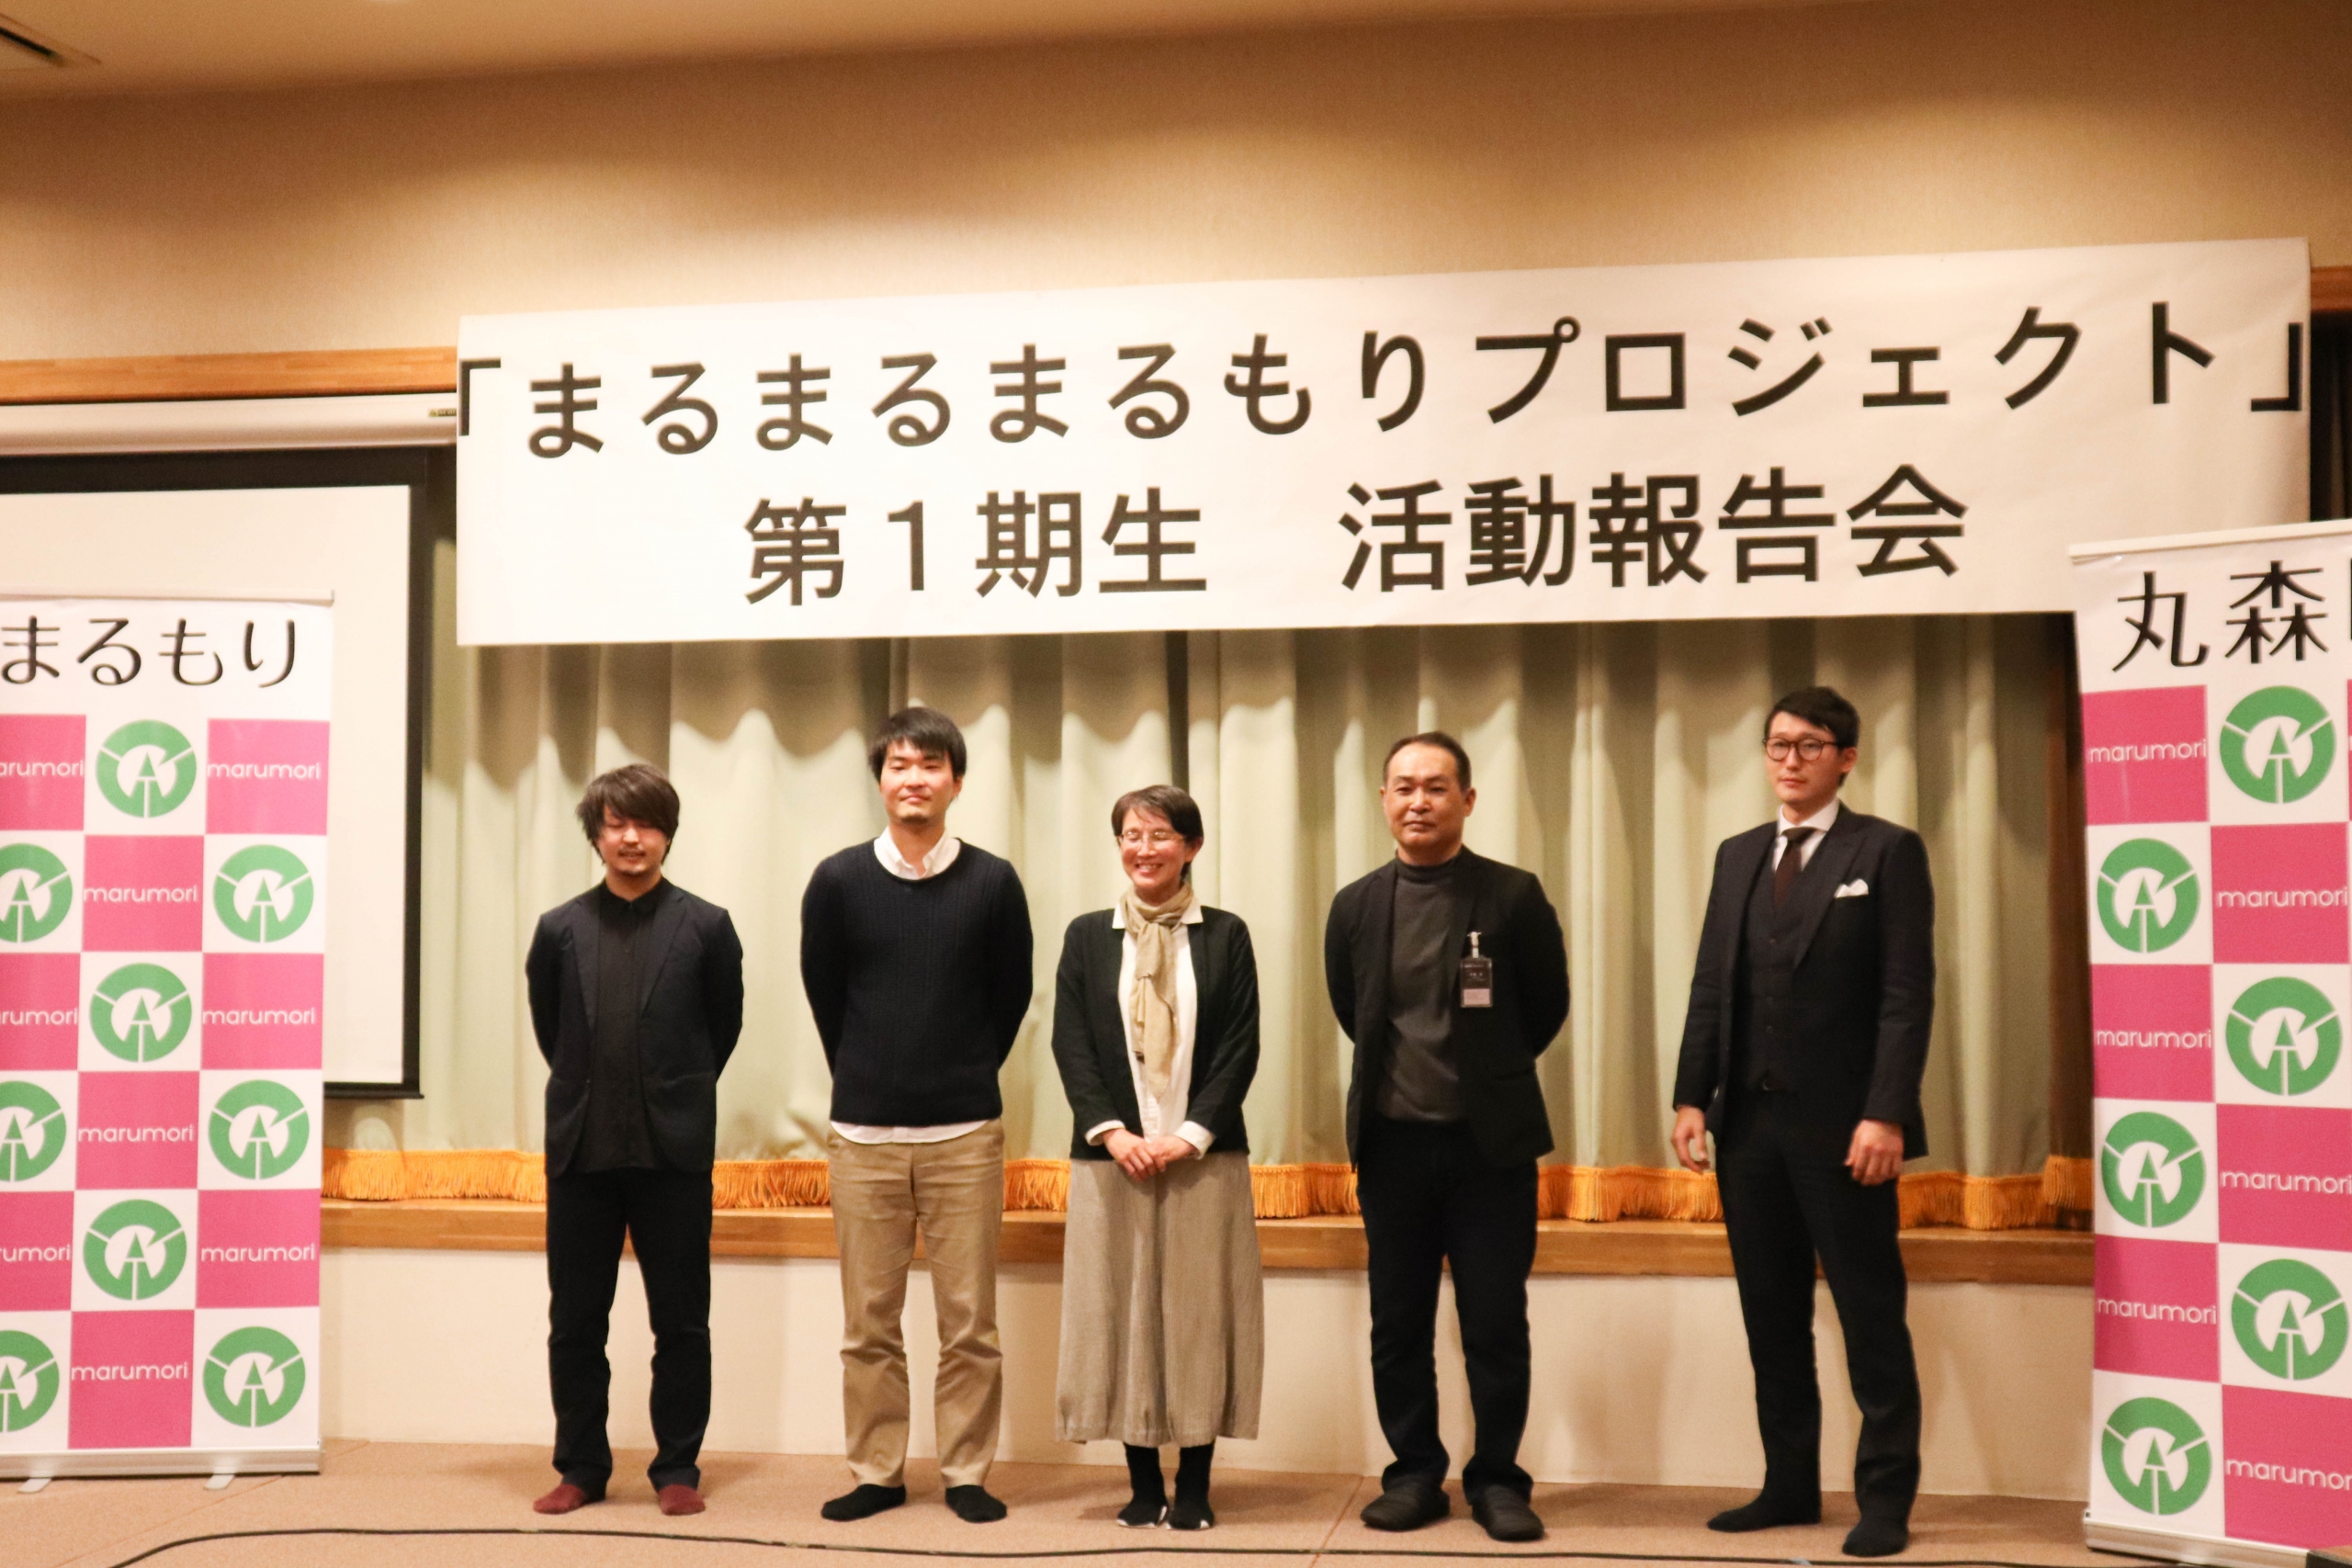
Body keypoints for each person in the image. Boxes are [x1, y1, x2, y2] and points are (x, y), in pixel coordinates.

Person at [1669, 686, 1934, 1560]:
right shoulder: (1738, 854)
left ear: (1845, 758)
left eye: (1810, 745)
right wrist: (1691, 1096)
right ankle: (1788, 1483)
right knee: (1772, 1315)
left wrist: (1886, 1111)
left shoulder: (1885, 850)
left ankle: (1885, 1498)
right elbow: (1713, 983)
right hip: (1749, 1127)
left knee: (1870, 1315)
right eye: (1778, 744)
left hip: (1848, 1130)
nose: (1790, 759)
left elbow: (1906, 995)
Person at [1323, 733, 1568, 1544]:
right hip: (1391, 1147)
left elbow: (1546, 1005)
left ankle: (1498, 1478)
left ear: (1467, 799)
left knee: (1494, 1321)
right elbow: (1353, 1009)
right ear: (1383, 799)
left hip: (1488, 1149)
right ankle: (1415, 1473)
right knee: (1398, 1322)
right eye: (1403, 786)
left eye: (1435, 786)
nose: (1418, 801)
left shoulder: (1511, 895)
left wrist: (1490, 1072)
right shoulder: (1356, 905)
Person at [799, 706, 1035, 1525]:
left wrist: (959, 1072)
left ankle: (966, 1470)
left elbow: (1010, 996)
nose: (914, 779)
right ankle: (878, 1470)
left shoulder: (993, 881)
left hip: (964, 1133)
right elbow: (826, 994)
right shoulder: (837, 880)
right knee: (868, 1323)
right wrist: (870, 1074)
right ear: (880, 779)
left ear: (956, 782)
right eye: (899, 765)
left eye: (931, 765)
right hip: (863, 1134)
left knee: (970, 1322)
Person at [524, 763, 745, 1518]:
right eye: (615, 822)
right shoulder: (559, 928)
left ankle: (677, 1465)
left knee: (680, 1321)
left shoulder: (706, 926)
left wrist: (673, 1090)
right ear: (595, 834)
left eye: (645, 823)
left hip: (672, 1154)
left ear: (667, 834)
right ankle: (581, 1465)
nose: (630, 837)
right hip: (580, 1153)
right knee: (575, 1322)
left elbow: (721, 1030)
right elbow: (552, 1029)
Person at [1050, 785, 1265, 1532]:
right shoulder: (1087, 936)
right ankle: (1143, 1484)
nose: (1144, 849)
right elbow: (1071, 1043)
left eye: (1161, 835)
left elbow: (1241, 1043)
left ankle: (1196, 1483)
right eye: (1131, 835)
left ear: (1192, 847)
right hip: (1111, 1159)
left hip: (1203, 1157)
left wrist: (1191, 1133)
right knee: (1120, 1314)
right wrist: (1113, 1132)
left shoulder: (1226, 935)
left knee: (1200, 1317)